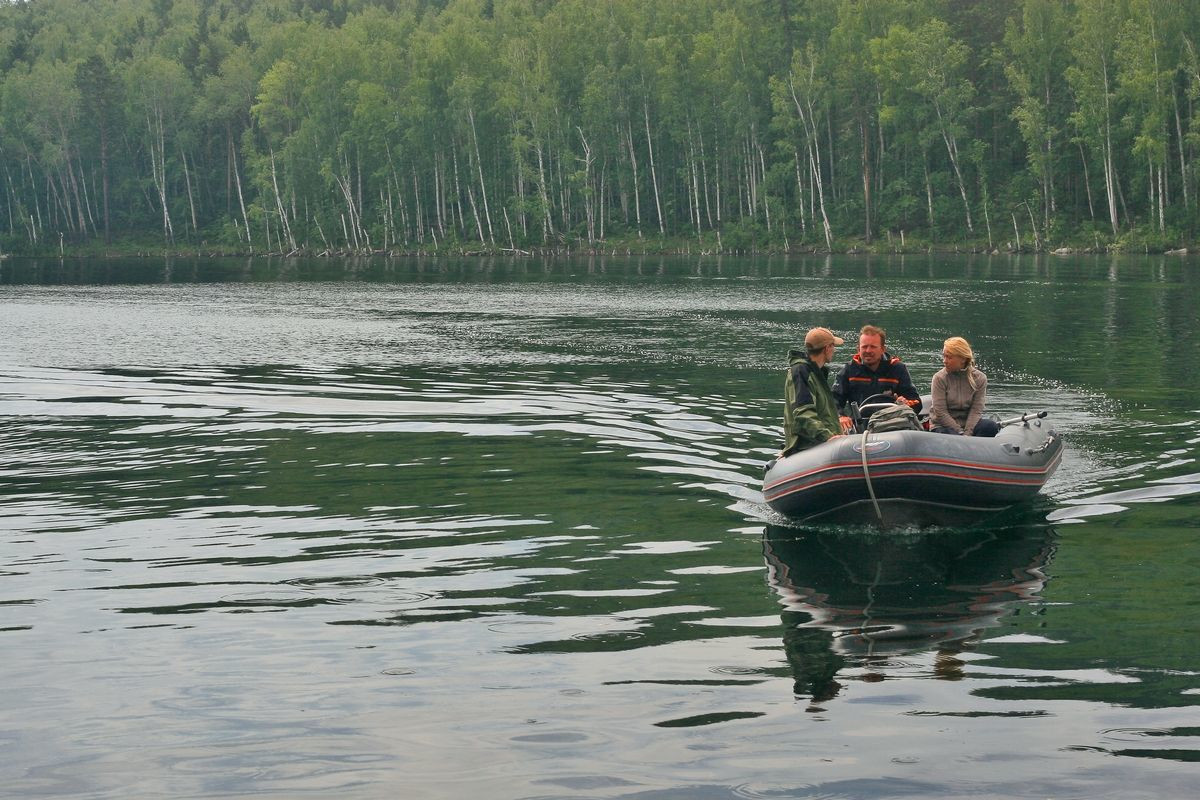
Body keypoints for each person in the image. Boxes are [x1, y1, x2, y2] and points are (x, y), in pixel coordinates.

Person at [833, 324, 922, 431]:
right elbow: (833, 400)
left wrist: (905, 403)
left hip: (891, 425)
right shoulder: (849, 369)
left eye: (873, 347)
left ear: (882, 349)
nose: (868, 351)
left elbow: (916, 402)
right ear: (858, 349)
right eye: (864, 347)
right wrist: (840, 416)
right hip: (860, 427)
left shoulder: (897, 368)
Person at [781, 327, 845, 455]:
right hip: (808, 447)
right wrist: (827, 436)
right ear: (827, 348)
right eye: (833, 346)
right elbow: (803, 412)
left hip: (821, 445)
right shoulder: (801, 372)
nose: (834, 350)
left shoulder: (816, 373)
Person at [929, 336, 999, 437]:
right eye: (944, 356)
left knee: (990, 426)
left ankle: (972, 444)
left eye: (949, 357)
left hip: (968, 425)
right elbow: (940, 412)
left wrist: (968, 432)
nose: (944, 361)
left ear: (962, 359)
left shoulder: (980, 378)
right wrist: (960, 433)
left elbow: (976, 410)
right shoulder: (939, 378)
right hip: (943, 426)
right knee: (951, 435)